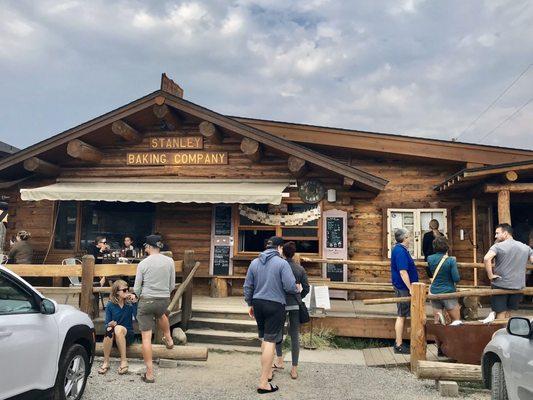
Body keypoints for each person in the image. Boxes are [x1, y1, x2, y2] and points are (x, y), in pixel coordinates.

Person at [244, 236, 298, 395]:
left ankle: (267, 373)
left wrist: (250, 303)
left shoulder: (254, 262)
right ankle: (263, 383)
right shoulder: (282, 263)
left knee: (264, 338)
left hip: (258, 303)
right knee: (271, 340)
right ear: (280, 248)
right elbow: (289, 286)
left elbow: (248, 286)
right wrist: (297, 288)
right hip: (274, 304)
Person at [133, 234, 175, 383]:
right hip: (163, 299)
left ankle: (149, 373)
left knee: (146, 338)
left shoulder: (143, 264)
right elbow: (171, 285)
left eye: (145, 246)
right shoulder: (170, 261)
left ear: (150, 247)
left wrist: (136, 296)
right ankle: (168, 339)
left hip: (147, 300)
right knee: (161, 314)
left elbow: (137, 288)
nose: (145, 248)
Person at [273, 243, 309, 380]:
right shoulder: (299, 268)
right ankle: (294, 369)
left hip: (280, 304)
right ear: (294, 254)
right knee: (294, 336)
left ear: (283, 252)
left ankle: (280, 360)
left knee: (278, 333)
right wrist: (299, 297)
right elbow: (306, 288)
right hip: (295, 304)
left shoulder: (279, 266)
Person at [484, 223, 533, 320]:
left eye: (497, 233)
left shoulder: (497, 246)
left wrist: (490, 275)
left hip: (501, 284)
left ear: (505, 233)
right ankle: (509, 332)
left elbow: (486, 258)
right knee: (509, 311)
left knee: (500, 312)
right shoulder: (525, 247)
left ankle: (500, 332)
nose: (495, 236)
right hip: (517, 285)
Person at [98, 280, 137, 375]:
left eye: (128, 289)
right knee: (109, 328)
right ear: (116, 292)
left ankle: (124, 361)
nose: (127, 291)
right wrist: (110, 324)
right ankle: (106, 362)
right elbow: (106, 324)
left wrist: (135, 302)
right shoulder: (110, 305)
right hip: (113, 337)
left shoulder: (130, 304)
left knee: (118, 328)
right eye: (124, 290)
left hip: (127, 335)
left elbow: (137, 318)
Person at [390, 228, 419, 354]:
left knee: (403, 314)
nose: (410, 239)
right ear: (404, 238)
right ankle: (399, 344)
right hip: (403, 287)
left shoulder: (400, 250)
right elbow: (403, 272)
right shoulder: (400, 251)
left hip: (403, 286)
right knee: (401, 315)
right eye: (408, 237)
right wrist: (410, 288)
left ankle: (401, 342)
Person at [427, 236, 461, 325]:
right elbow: (456, 278)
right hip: (448, 292)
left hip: (434, 292)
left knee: (437, 322)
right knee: (456, 321)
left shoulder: (430, 258)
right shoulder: (451, 260)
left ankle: (438, 338)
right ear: (447, 246)